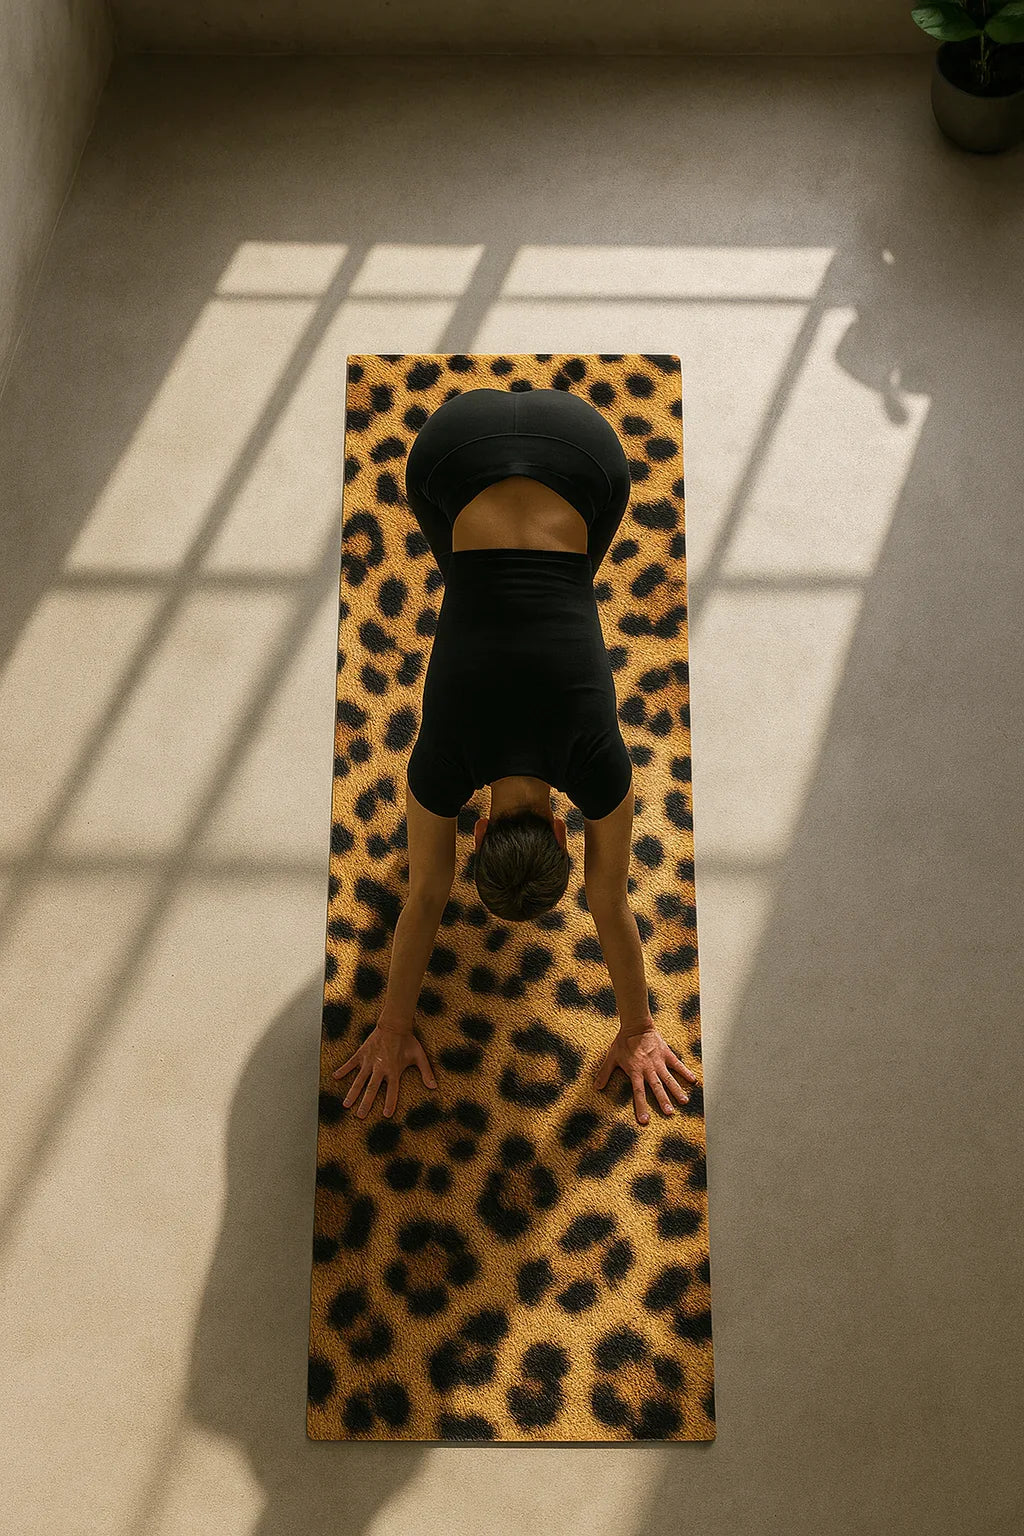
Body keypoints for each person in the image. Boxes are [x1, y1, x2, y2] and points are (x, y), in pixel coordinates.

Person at [332, 384, 697, 1127]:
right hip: (451, 443)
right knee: (465, 562)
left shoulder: (597, 766)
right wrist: (391, 1026)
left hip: (588, 449)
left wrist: (641, 1029)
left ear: (564, 829)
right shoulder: (443, 764)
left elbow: (608, 896)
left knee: (574, 569)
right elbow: (427, 891)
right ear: (477, 831)